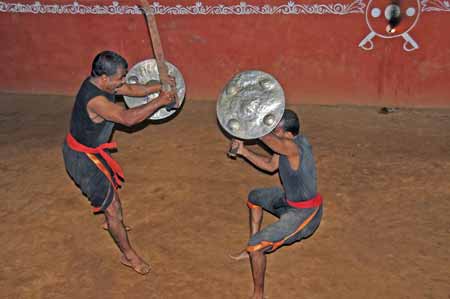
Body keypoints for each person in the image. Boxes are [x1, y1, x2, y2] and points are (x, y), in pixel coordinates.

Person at [62, 50, 176, 275]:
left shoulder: (103, 83)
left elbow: (132, 89)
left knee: (111, 199)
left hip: (92, 153)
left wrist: (159, 87)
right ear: (104, 78)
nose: (122, 82)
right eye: (119, 78)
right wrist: (159, 102)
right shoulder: (95, 100)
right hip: (83, 160)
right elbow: (128, 118)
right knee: (113, 209)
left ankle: (111, 220)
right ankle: (128, 254)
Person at [229, 109, 323, 299]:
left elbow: (270, 139)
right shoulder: (284, 147)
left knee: (257, 246)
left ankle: (258, 294)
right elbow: (271, 166)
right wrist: (244, 151)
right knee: (254, 196)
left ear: (288, 134)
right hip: (288, 200)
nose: (272, 132)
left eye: (275, 130)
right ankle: (250, 250)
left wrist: (252, 121)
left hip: (305, 214)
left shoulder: (294, 147)